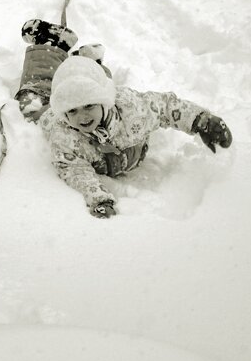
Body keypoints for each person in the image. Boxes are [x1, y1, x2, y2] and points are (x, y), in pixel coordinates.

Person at [15, 21, 232, 218]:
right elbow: (74, 170)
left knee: (96, 82)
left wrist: (200, 120)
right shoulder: (63, 134)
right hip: (71, 113)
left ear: (103, 101)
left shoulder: (132, 110)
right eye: (72, 111)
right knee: (32, 101)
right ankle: (53, 44)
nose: (82, 117)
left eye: (89, 106)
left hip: (115, 116)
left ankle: (87, 63)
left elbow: (166, 107)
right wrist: (99, 198)